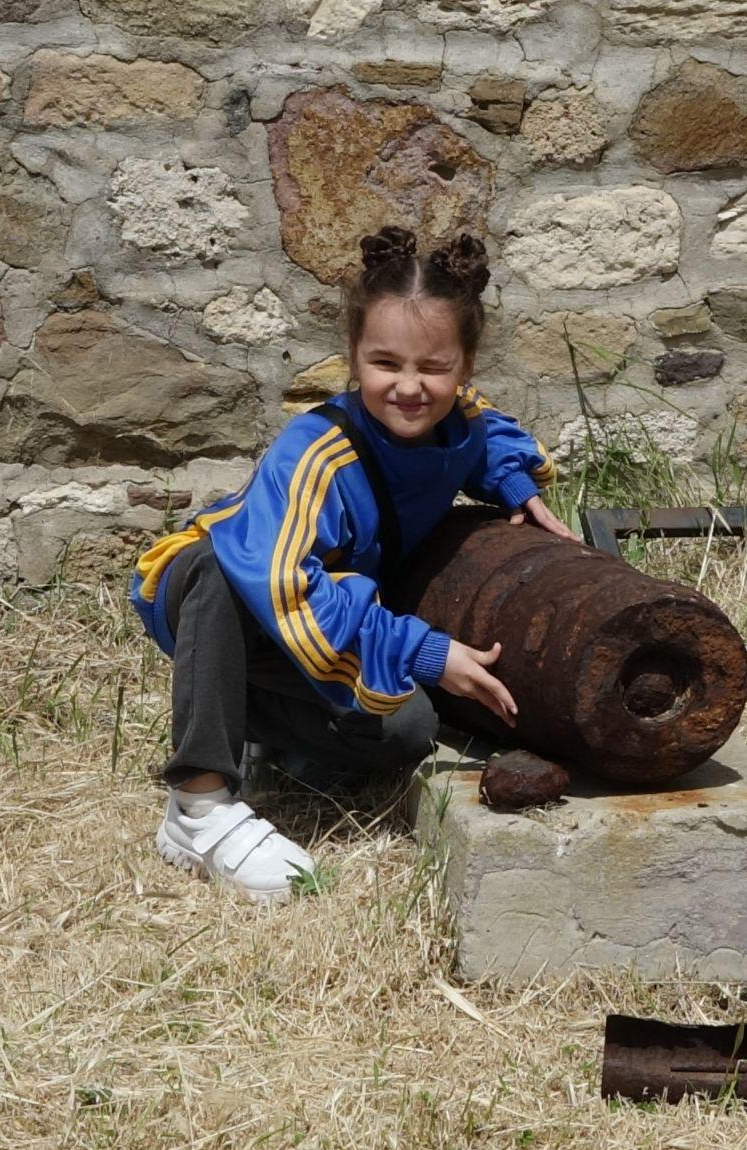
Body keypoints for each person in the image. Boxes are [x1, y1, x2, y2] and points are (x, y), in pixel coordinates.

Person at [127, 225, 580, 904]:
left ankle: (261, 732)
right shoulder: (313, 453)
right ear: (353, 356)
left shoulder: (458, 424)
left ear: (465, 367)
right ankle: (199, 805)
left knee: (409, 730)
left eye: (433, 368)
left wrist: (516, 486)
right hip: (233, 598)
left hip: (316, 612)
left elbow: (490, 439)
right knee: (219, 569)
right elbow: (283, 587)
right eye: (385, 363)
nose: (409, 386)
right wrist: (423, 649)